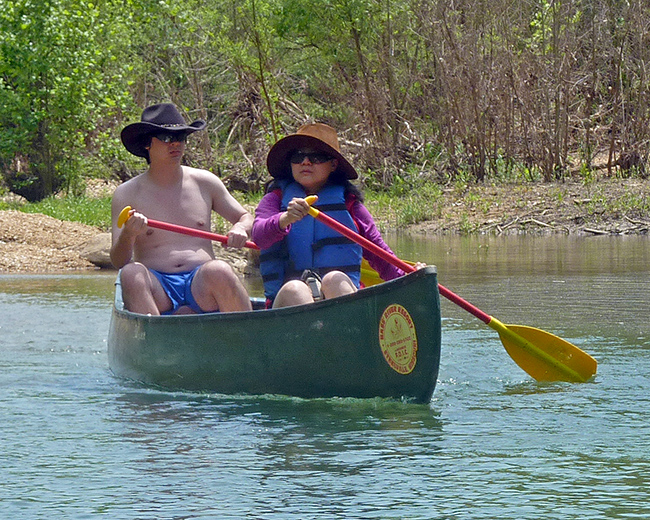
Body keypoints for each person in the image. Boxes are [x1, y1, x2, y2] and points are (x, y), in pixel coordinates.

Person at [252, 122, 419, 308]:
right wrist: (285, 219)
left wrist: (411, 277)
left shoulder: (349, 204)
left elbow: (380, 255)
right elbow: (259, 237)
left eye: (316, 156)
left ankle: (341, 332)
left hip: (339, 295)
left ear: (333, 164)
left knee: (335, 279)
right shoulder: (275, 199)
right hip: (287, 302)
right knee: (295, 289)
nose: (305, 162)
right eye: (298, 156)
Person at [110, 103, 253, 315]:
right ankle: (153, 342)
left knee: (219, 269)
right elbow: (118, 260)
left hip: (201, 285)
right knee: (130, 273)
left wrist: (241, 228)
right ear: (147, 143)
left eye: (181, 137)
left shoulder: (205, 181)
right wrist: (129, 234)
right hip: (158, 289)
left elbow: (245, 216)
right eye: (167, 138)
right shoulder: (126, 193)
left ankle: (245, 338)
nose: (175, 144)